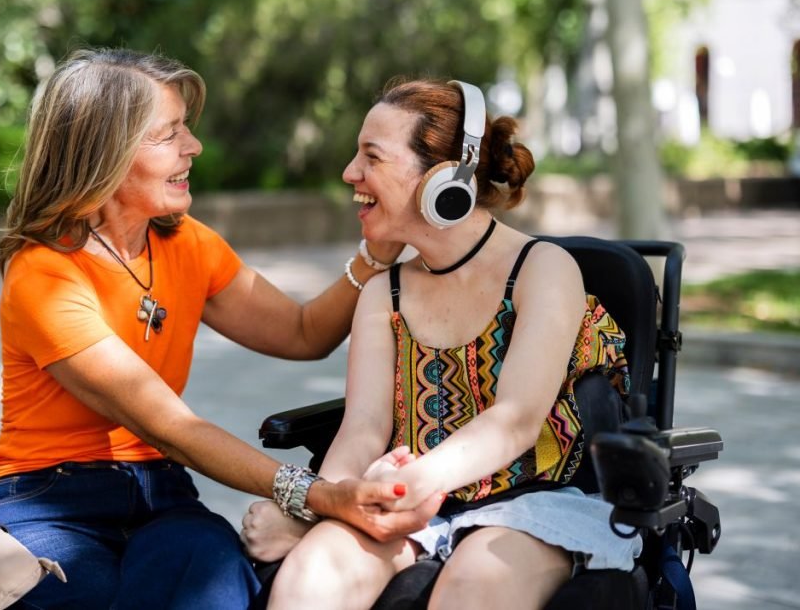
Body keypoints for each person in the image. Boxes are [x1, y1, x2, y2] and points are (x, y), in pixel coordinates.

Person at [0, 47, 443, 610]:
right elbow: (169, 426)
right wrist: (321, 495)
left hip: (161, 494)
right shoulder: (43, 275)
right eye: (169, 133)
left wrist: (376, 254)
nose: (193, 146)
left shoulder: (185, 242)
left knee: (216, 585)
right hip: (47, 499)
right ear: (106, 153)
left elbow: (302, 333)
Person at [242, 77, 642, 609]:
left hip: (532, 504)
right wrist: (327, 505)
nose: (350, 173)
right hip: (406, 502)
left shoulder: (542, 269)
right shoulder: (384, 290)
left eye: (372, 157)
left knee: (473, 586)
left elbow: (516, 422)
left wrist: (404, 487)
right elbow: (363, 428)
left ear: (444, 180)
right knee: (311, 575)